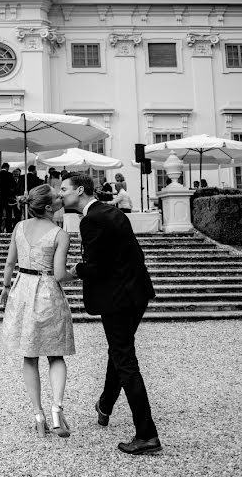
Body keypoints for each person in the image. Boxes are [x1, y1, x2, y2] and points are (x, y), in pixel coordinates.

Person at [60, 173, 161, 455]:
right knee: (119, 352)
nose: (60, 193)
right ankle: (105, 405)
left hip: (117, 299)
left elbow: (94, 267)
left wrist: (70, 273)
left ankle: (147, 434)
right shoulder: (113, 212)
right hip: (137, 293)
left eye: (64, 188)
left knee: (125, 361)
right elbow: (130, 255)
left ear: (80, 190)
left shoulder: (90, 220)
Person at [1, 185, 74, 438]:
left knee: (29, 356)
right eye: (56, 196)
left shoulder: (19, 227)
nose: (60, 197)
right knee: (55, 355)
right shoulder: (59, 234)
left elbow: (10, 262)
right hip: (47, 292)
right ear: (47, 206)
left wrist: (5, 287)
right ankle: (56, 410)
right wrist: (78, 272)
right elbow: (60, 275)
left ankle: (38, 415)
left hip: (22, 289)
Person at [0, 163, 16, 233]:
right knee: (9, 213)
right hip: (8, 197)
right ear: (7, 168)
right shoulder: (10, 175)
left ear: (1, 167)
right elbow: (14, 186)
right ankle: (9, 229)